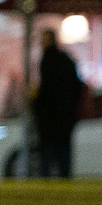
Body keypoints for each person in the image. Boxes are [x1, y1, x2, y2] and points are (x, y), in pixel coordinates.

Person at [35, 40, 86, 179]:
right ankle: (64, 180)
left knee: (47, 155)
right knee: (64, 155)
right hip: (65, 117)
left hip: (49, 120)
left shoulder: (47, 62)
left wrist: (37, 107)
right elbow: (77, 88)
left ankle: (45, 182)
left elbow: (43, 91)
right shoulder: (66, 61)